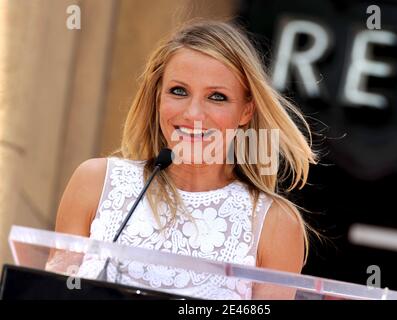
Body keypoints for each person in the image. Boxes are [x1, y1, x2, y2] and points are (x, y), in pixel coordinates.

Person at [51, 19, 317, 300]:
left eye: (217, 97)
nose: (193, 114)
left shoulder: (275, 224)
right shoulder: (94, 182)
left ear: (246, 111)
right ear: (158, 98)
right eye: (179, 91)